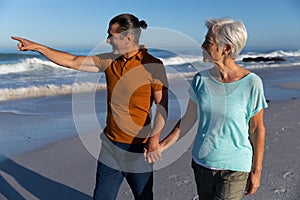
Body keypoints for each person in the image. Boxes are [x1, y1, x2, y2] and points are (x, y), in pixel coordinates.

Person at [12, 13, 168, 200]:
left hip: (138, 149)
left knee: (144, 197)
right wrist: (37, 47)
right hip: (110, 146)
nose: (107, 40)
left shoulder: (153, 65)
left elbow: (162, 106)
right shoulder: (110, 60)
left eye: (111, 35)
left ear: (128, 37)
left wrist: (154, 139)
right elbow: (72, 61)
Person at [147, 17, 268, 200]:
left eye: (208, 42)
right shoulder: (200, 80)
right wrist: (160, 146)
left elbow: (257, 129)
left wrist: (256, 170)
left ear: (226, 48)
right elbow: (188, 120)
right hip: (202, 164)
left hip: (235, 167)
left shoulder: (252, 83)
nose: (202, 45)